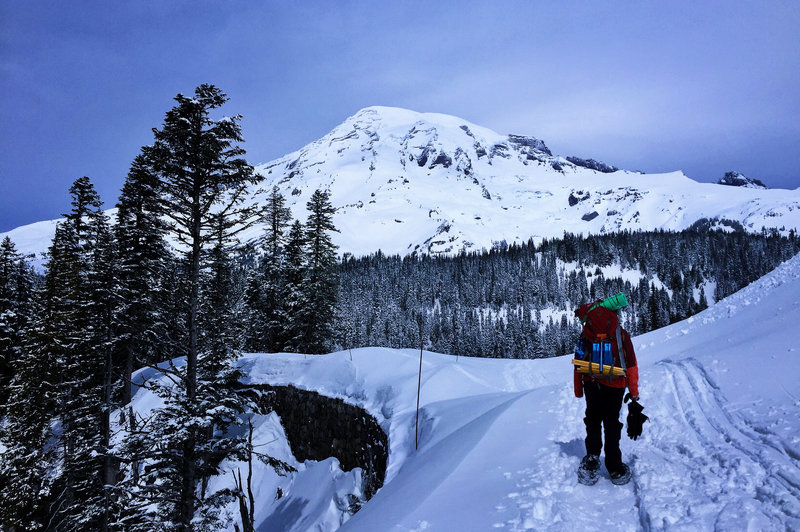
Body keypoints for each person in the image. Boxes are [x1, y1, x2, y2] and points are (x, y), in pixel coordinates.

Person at [573, 300, 639, 486]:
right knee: (612, 423)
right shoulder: (621, 334)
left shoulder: (586, 333)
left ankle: (592, 462)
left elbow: (578, 363)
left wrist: (579, 390)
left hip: (591, 384)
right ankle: (615, 467)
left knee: (593, 420)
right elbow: (632, 365)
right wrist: (633, 392)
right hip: (615, 385)